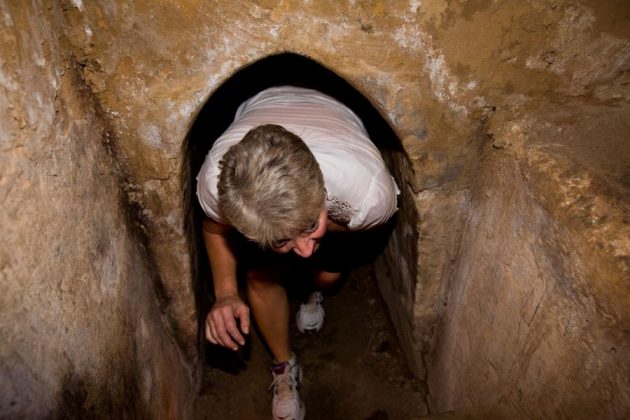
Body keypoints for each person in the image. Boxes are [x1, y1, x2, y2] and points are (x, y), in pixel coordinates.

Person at [196, 86, 399, 420]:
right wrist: (226, 294)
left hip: (337, 114)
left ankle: (312, 291)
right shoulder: (215, 188)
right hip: (260, 104)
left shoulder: (368, 193)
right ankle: (283, 366)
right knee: (259, 278)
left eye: (309, 226)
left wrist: (310, 235)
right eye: (281, 241)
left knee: (327, 275)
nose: (304, 251)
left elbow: (362, 235)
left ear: (323, 196)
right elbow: (213, 228)